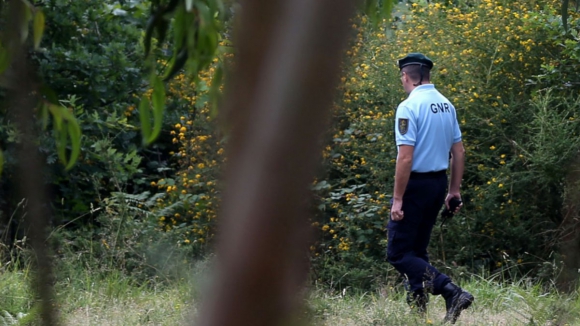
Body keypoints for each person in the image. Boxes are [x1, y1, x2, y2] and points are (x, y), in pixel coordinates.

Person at [386, 53, 474, 324]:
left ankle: (451, 291)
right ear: (427, 75)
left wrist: (398, 198)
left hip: (415, 185)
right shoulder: (447, 105)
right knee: (417, 251)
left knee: (399, 253)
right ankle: (418, 314)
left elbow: (406, 157)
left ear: (405, 76)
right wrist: (454, 191)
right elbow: (458, 152)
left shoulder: (408, 107)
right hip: (437, 185)